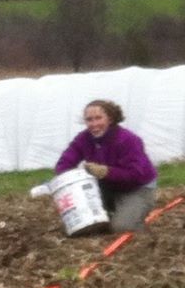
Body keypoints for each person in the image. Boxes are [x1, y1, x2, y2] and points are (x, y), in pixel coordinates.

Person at [56, 99, 159, 233]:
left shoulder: (128, 140)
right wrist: (72, 177)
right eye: (89, 120)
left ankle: (136, 223)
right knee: (80, 226)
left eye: (98, 118)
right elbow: (63, 164)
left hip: (137, 188)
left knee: (122, 227)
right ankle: (112, 213)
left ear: (110, 119)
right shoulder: (84, 139)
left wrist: (106, 172)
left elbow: (136, 174)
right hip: (106, 186)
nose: (94, 124)